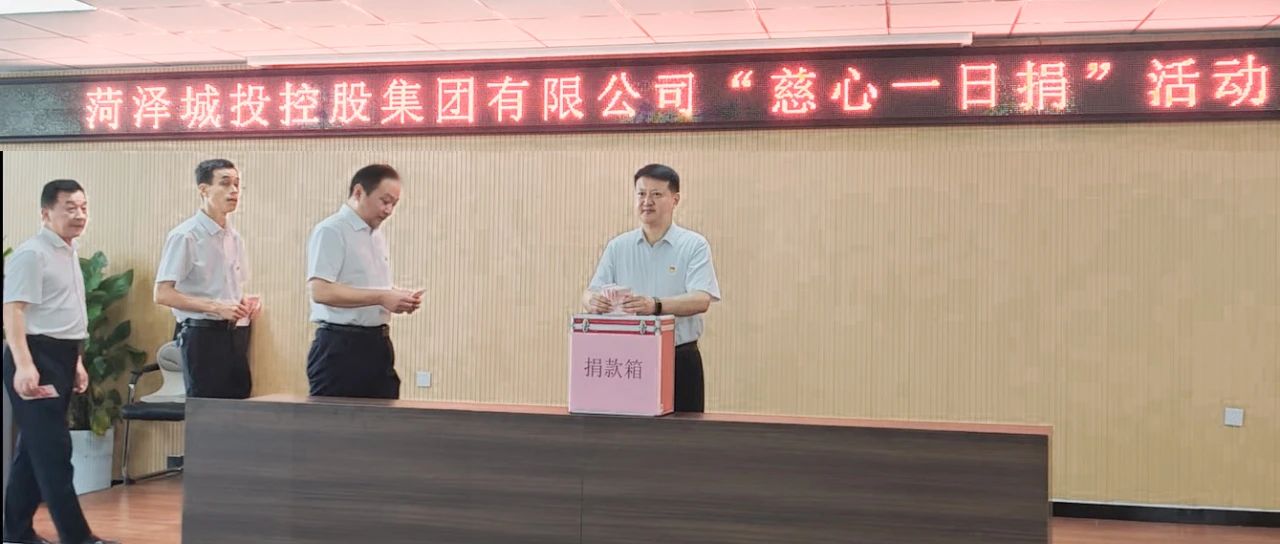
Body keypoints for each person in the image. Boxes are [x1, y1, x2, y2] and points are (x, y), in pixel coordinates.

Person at [3, 179, 120, 544]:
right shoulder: (32, 254)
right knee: (55, 451)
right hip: (35, 356)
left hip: (63, 356)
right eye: (69, 208)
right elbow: (13, 311)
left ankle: (14, 533)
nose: (79, 215)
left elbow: (65, 315)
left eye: (83, 207)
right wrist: (25, 365)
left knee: (33, 451)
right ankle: (77, 537)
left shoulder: (69, 251)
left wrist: (77, 363)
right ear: (45, 213)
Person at [582, 163, 721, 412]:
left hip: (678, 357)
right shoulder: (618, 246)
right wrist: (592, 301)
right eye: (641, 194)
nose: (647, 201)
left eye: (656, 194)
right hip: (625, 358)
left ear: (675, 199)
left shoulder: (694, 245)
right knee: (625, 432)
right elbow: (590, 292)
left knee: (683, 432)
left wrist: (655, 305)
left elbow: (701, 299)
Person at [305, 164, 421, 399]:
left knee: (385, 417)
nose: (389, 210)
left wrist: (397, 297)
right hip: (340, 346)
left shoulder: (376, 236)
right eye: (384, 201)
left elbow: (366, 286)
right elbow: (321, 291)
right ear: (358, 193)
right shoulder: (332, 230)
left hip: (377, 342)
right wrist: (382, 297)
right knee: (337, 419)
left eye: (394, 204)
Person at [154, 158, 259, 399]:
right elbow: (162, 294)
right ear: (204, 189)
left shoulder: (234, 237)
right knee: (207, 410)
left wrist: (245, 303)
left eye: (237, 184)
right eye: (225, 183)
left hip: (234, 335)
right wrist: (215, 307)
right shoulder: (186, 236)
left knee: (239, 405)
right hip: (201, 336)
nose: (234, 191)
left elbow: (227, 289)